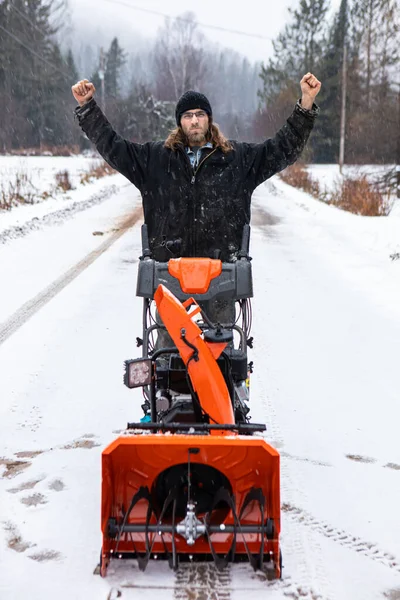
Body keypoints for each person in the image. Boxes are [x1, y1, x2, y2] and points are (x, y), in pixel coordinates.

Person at [71, 74, 321, 268]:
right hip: (169, 271)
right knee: (170, 336)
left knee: (219, 337)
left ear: (209, 119)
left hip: (222, 271)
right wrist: (87, 107)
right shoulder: (155, 159)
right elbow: (113, 147)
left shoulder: (237, 159)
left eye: (200, 114)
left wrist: (306, 104)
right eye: (188, 115)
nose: (194, 120)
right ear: (180, 121)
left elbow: (282, 149)